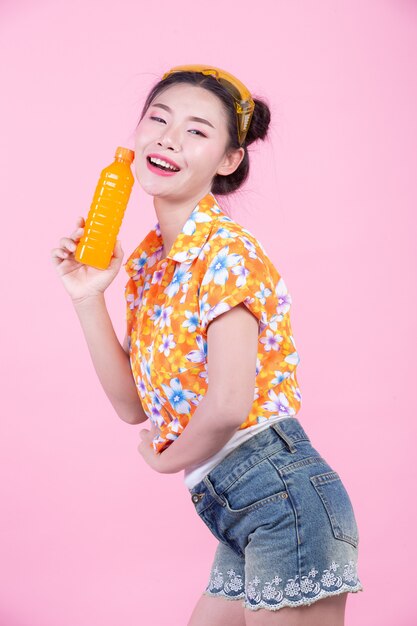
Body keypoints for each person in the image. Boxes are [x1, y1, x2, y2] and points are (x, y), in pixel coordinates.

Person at [51, 65, 364, 625]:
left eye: (197, 130)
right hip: (236, 504)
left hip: (281, 495)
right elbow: (132, 405)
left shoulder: (226, 253)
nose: (169, 137)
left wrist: (164, 461)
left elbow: (226, 405)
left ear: (228, 160)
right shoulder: (152, 262)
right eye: (159, 118)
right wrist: (87, 296)